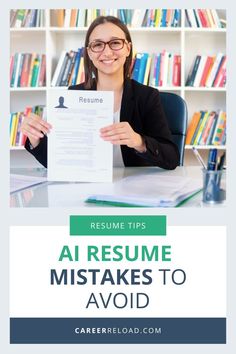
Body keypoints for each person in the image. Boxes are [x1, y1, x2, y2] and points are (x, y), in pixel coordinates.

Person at [21, 16, 180, 169]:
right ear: (89, 52)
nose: (107, 52)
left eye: (115, 43)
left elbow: (171, 158)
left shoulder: (147, 96)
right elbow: (59, 162)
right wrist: (35, 139)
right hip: (87, 188)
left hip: (134, 189)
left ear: (127, 48)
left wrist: (139, 141)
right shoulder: (74, 95)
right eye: (98, 45)